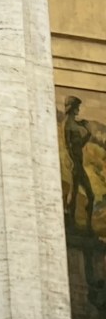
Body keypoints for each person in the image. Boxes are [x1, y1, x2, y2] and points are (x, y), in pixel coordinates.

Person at [65, 95, 96, 230]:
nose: (79, 109)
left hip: (79, 164)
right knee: (75, 192)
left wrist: (88, 134)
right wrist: (73, 161)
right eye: (77, 106)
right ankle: (70, 222)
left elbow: (79, 145)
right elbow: (67, 145)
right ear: (72, 108)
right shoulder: (66, 123)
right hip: (74, 164)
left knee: (90, 194)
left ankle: (88, 225)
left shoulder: (76, 124)